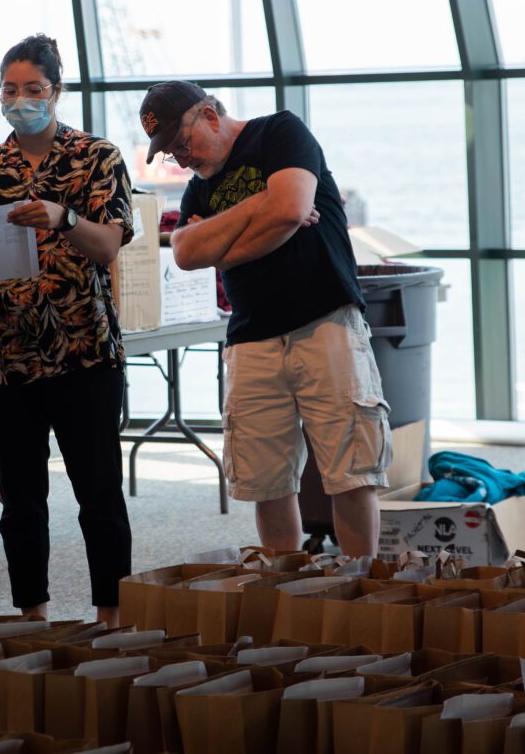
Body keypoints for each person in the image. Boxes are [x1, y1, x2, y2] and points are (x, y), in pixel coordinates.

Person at [141, 80, 392, 557]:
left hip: (326, 321)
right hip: (251, 337)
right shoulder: (197, 192)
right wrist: (262, 204)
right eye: (171, 152)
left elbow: (294, 207)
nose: (181, 159)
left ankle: (361, 587)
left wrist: (227, 241)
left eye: (182, 144)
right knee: (265, 480)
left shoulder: (280, 133)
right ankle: (287, 588)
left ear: (211, 116)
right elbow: (187, 252)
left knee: (351, 472)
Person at [0, 34, 133, 626]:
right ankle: (34, 617)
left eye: (33, 89)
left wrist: (63, 216)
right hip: (4, 354)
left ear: (57, 91)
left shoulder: (95, 158)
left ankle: (111, 615)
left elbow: (108, 246)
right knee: (21, 499)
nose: (20, 99)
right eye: (10, 89)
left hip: (83, 348)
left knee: (98, 492)